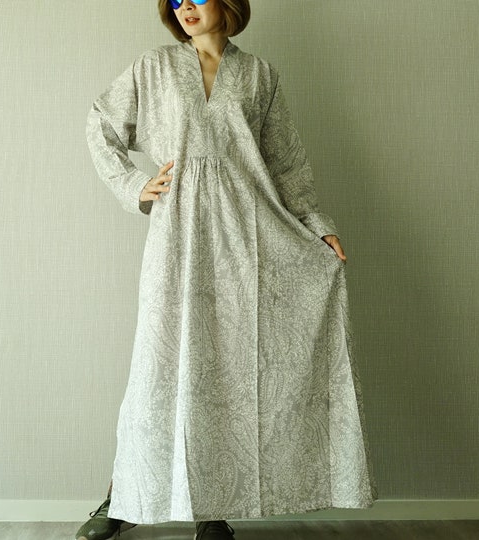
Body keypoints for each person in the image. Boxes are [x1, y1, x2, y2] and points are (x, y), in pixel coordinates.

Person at [76, 1, 378, 539]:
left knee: (225, 372)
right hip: (178, 235)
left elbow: (285, 163)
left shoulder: (260, 75)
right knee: (159, 367)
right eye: (175, 0)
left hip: (249, 234)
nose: (185, 6)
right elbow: (101, 123)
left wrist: (316, 224)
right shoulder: (154, 67)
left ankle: (211, 511)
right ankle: (121, 498)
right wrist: (134, 185)